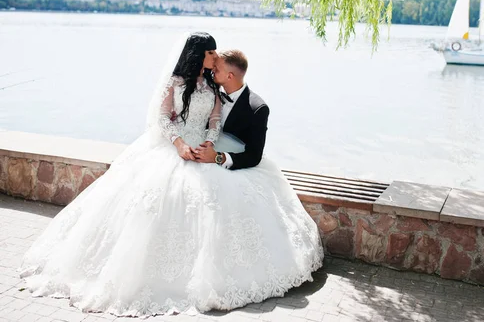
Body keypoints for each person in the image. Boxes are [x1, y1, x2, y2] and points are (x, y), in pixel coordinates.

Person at [19, 32, 324, 317]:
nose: (214, 57)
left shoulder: (214, 85)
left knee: (216, 203)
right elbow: (163, 118)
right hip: (173, 148)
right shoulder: (176, 82)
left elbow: (216, 117)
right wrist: (179, 143)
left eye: (216, 54)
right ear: (197, 54)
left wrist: (211, 140)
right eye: (210, 52)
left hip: (207, 148)